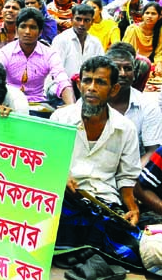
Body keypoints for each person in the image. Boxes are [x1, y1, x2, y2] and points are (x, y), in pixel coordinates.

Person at [51, 56, 148, 270]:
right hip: (67, 199)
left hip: (104, 202)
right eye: (87, 81)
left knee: (133, 249)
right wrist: (60, 174)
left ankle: (86, 252)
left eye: (100, 82)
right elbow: (46, 161)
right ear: (78, 84)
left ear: (113, 89)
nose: (91, 88)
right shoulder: (60, 119)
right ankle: (89, 253)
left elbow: (126, 177)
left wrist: (132, 207)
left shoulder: (125, 128)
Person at [0, 7, 75, 105]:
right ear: (16, 30)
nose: (27, 32)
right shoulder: (4, 53)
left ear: (40, 32)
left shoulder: (49, 54)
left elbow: (62, 79)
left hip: (38, 104)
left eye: (32, 27)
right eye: (23, 26)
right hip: (8, 103)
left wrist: (71, 108)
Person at [106, 47, 162, 156]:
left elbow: (152, 152)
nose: (122, 74)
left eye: (127, 68)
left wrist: (131, 173)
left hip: (135, 169)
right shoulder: (93, 100)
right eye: (117, 68)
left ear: (135, 74)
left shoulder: (148, 106)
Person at [51, 3, 104, 80]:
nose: (82, 24)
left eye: (86, 20)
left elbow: (100, 68)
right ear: (72, 19)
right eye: (78, 19)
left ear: (92, 22)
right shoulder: (61, 40)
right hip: (63, 87)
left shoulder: (95, 43)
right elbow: (56, 71)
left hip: (88, 88)